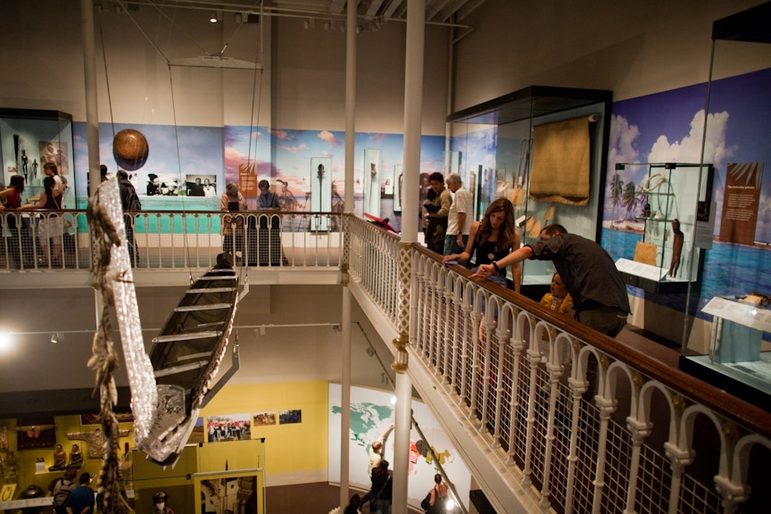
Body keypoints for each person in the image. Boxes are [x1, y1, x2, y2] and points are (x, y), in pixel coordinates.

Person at [472, 224, 630, 337]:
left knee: (585, 365)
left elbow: (528, 250)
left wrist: (495, 266)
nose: (541, 244)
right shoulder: (580, 246)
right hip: (620, 310)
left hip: (597, 309)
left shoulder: (562, 241)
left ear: (555, 236)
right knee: (597, 362)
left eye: (543, 240)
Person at [443, 197, 521, 291]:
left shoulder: (513, 236)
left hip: (498, 280)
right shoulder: (476, 227)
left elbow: (515, 266)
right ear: (489, 214)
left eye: (500, 218)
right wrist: (456, 256)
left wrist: (517, 293)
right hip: (477, 274)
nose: (495, 221)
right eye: (493, 216)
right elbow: (467, 254)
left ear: (506, 220)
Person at [24, 175, 63, 266]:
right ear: (53, 183)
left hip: (45, 219)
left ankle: (48, 258)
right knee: (56, 238)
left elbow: (41, 205)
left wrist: (26, 206)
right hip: (56, 218)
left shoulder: (44, 194)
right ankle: (55, 258)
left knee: (43, 239)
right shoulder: (58, 192)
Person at [0, 175, 30, 267]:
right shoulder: (11, 190)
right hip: (12, 217)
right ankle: (20, 260)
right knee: (20, 237)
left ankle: (21, 260)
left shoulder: (14, 191)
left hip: (14, 216)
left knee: (21, 237)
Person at [444, 173, 472, 256]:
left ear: (455, 183)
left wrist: (459, 233)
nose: (448, 187)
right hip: (462, 233)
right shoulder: (466, 193)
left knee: (449, 262)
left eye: (449, 184)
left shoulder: (459, 193)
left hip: (455, 233)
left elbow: (462, 214)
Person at [118, 170, 141, 266]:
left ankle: (125, 260)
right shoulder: (131, 187)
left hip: (123, 216)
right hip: (130, 216)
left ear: (120, 177)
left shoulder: (121, 187)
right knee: (130, 237)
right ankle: (135, 259)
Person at [424, 172, 451, 254]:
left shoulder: (444, 194)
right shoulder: (438, 194)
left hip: (441, 228)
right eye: (432, 184)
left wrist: (431, 215)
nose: (434, 186)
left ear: (442, 183)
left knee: (437, 251)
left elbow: (445, 211)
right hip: (436, 228)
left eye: (436, 184)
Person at [221, 182, 247, 260]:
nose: (235, 191)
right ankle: (225, 257)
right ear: (229, 190)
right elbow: (223, 209)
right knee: (228, 240)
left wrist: (238, 218)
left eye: (236, 190)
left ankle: (233, 256)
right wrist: (230, 219)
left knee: (236, 241)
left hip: (238, 221)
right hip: (229, 222)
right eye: (233, 190)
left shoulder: (239, 194)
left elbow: (244, 205)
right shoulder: (225, 195)